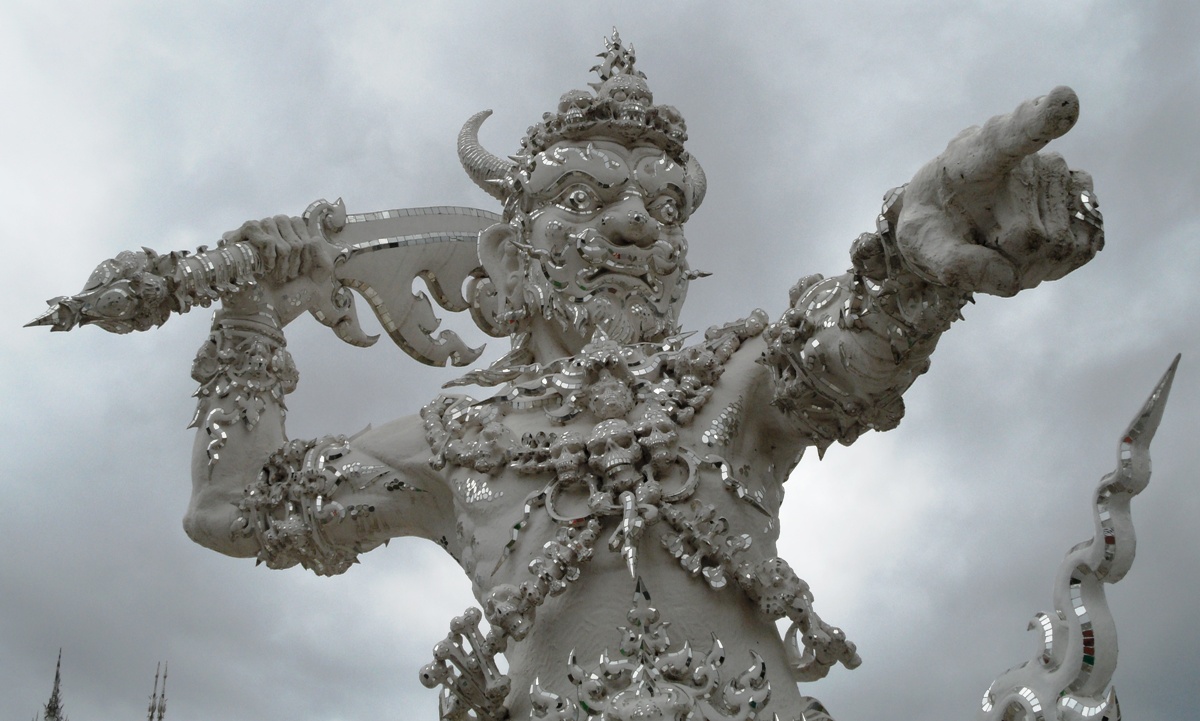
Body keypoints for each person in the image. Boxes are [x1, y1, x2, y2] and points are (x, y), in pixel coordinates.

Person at [180, 32, 1102, 721]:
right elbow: (235, 505)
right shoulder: (459, 435)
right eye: (582, 199)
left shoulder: (734, 380)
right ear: (508, 253)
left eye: (664, 207)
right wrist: (251, 316)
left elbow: (847, 350)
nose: (633, 225)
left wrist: (908, 263)